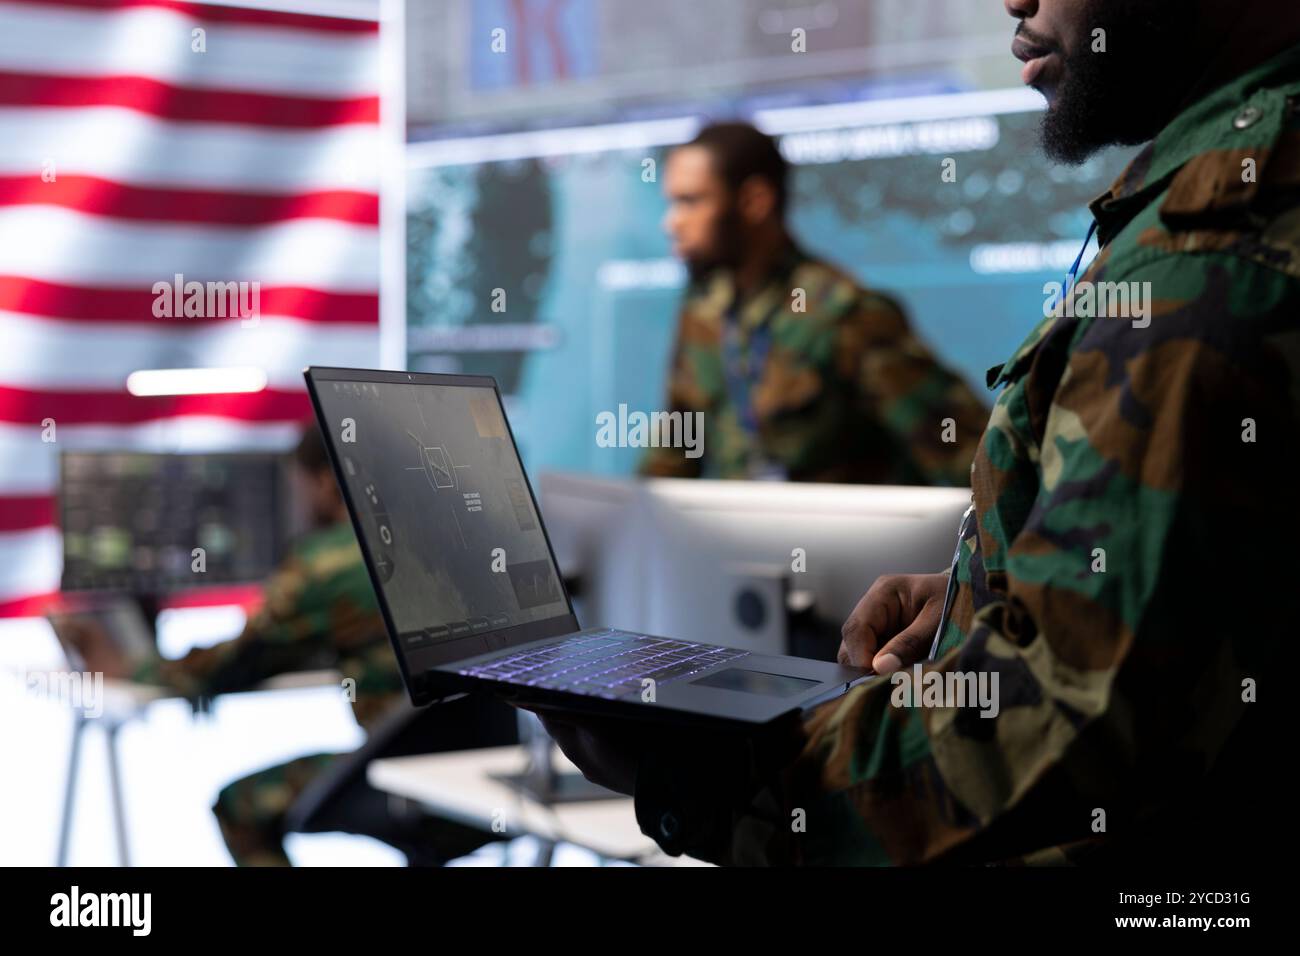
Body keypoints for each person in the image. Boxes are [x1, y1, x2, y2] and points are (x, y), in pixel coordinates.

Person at [533, 0, 1298, 865]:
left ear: (751, 201)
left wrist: (704, 776)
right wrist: (984, 581)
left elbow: (1073, 713)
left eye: (691, 201)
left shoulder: (1205, 254)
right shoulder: (708, 321)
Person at [71, 427, 507, 865]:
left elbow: (233, 661)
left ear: (322, 482)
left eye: (298, 486)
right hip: (497, 774)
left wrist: (135, 670)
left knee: (238, 808)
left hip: (406, 775)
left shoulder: (326, 562)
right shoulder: (456, 530)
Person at [640, 122, 988, 485]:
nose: (672, 223)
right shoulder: (702, 313)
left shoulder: (843, 314)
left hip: (837, 539)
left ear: (754, 201)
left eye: (690, 202)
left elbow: (966, 459)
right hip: (739, 537)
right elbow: (673, 455)